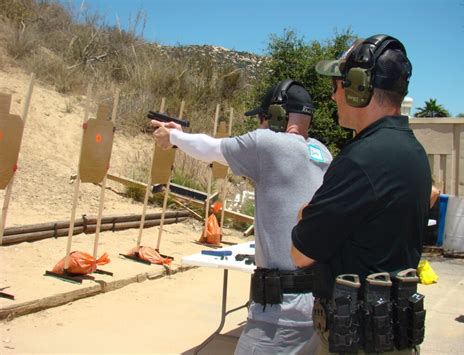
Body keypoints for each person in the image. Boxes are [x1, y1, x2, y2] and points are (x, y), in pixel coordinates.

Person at [152, 80, 332, 354]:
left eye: (262, 118)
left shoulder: (269, 143)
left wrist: (172, 138)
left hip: (280, 310)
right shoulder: (322, 152)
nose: (260, 126)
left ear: (277, 115)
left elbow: (212, 148)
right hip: (317, 305)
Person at [290, 35, 432, 354]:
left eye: (337, 84)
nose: (332, 95)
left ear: (358, 87)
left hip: (356, 340)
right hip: (391, 336)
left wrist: (305, 212)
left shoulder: (360, 159)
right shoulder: (413, 151)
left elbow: (300, 252)